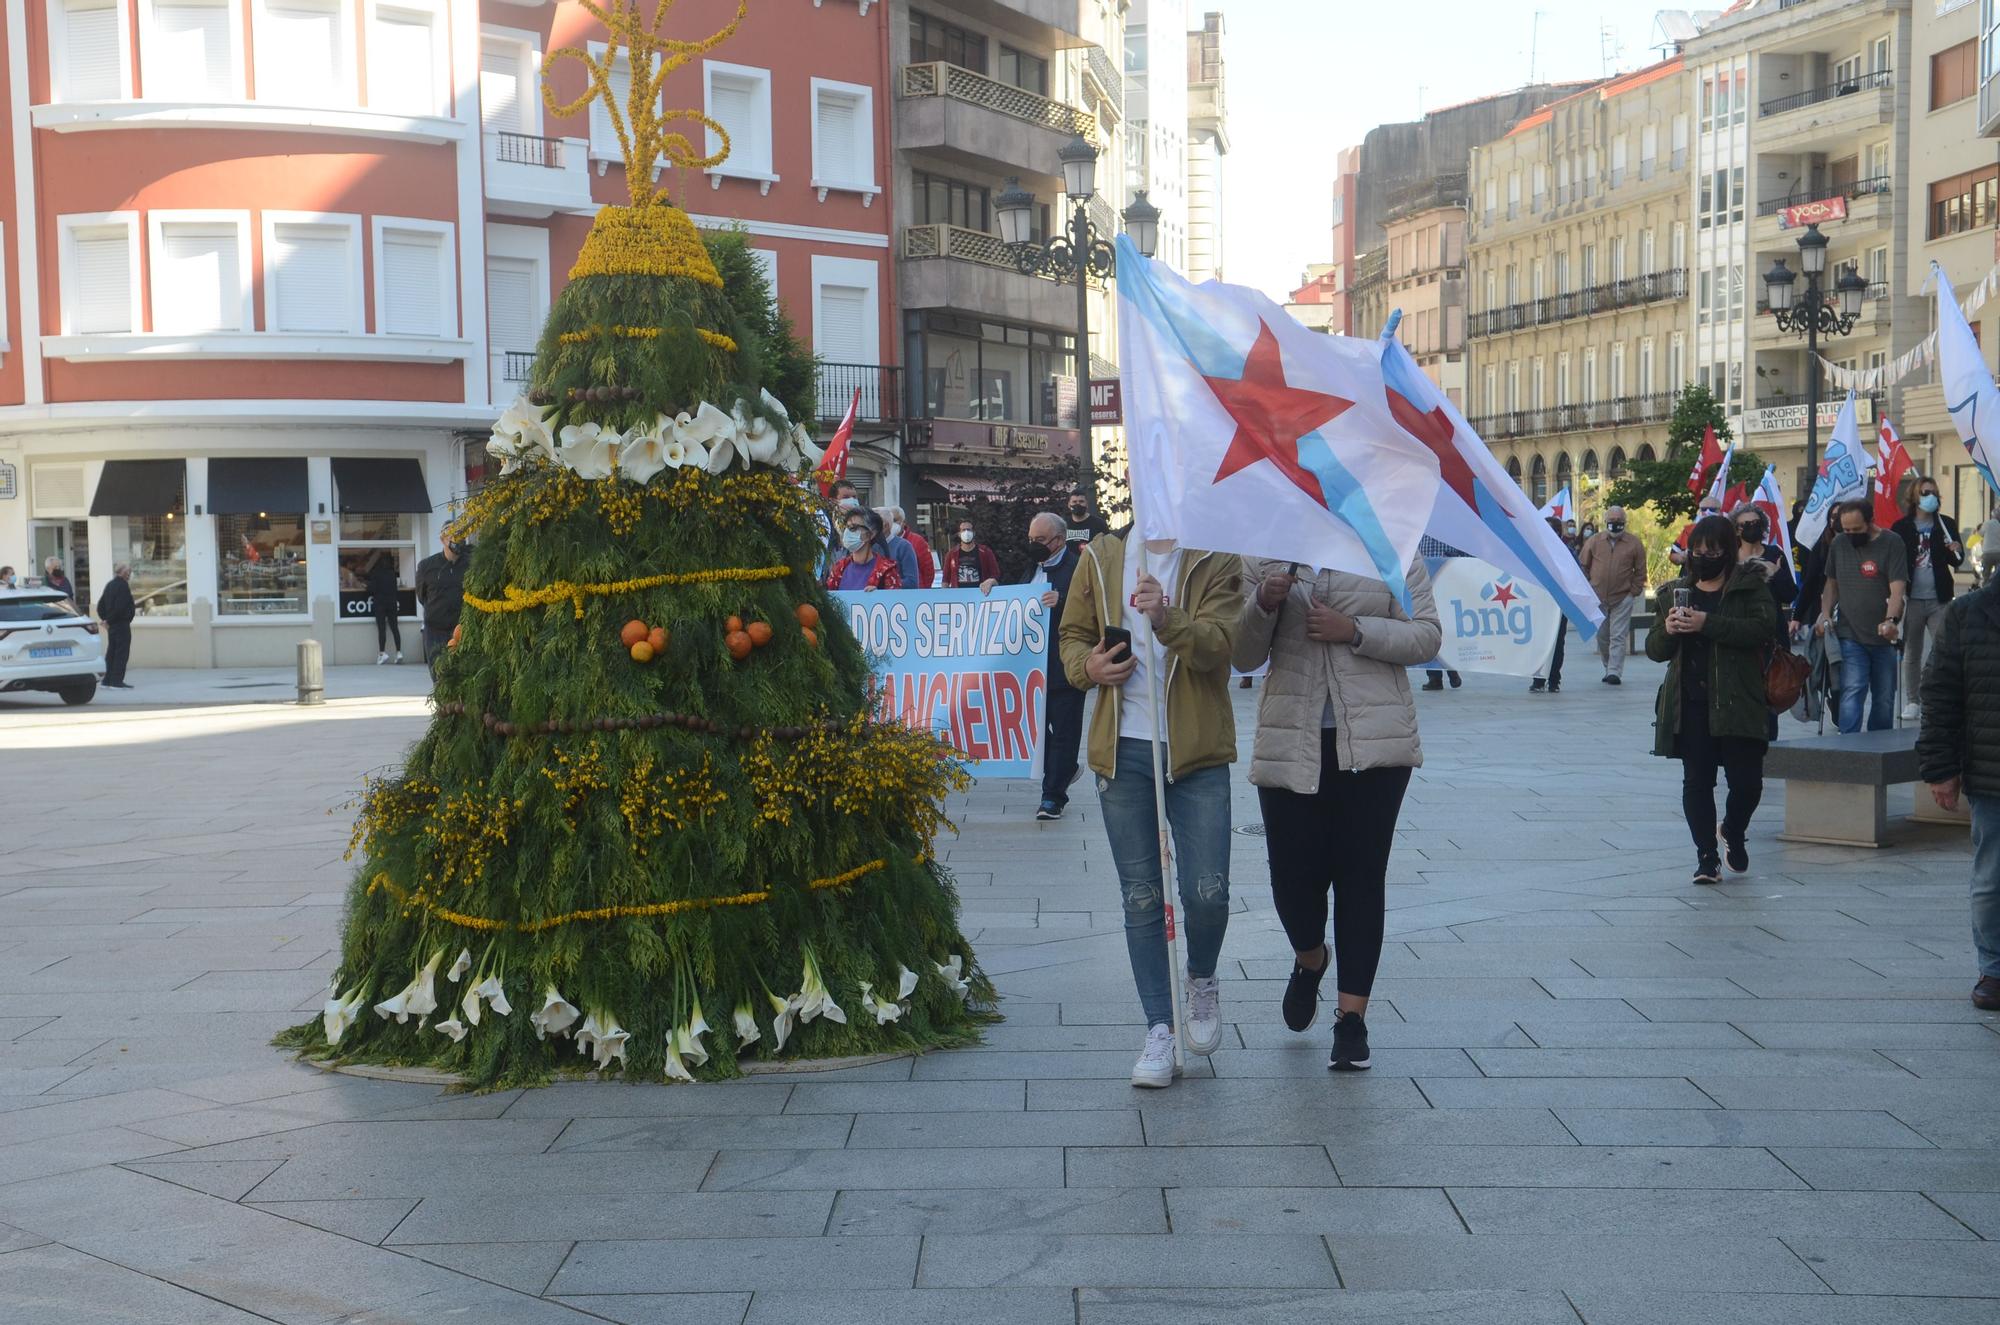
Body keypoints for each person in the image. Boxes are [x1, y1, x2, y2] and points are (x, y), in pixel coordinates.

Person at [1236, 556, 1441, 1071]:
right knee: (1291, 881)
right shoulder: (1265, 553)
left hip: (1375, 744)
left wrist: (1353, 629)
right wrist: (1263, 603)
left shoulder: (1388, 544)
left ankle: (1352, 1021)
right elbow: (1241, 654)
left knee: (1361, 880)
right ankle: (1310, 958)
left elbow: (1426, 635)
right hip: (1291, 740)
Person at [1059, 525, 1243, 1089]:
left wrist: (1167, 618)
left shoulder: (1215, 554)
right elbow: (1071, 636)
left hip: (1195, 751)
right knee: (1141, 894)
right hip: (1124, 750)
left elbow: (1219, 647)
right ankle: (1158, 1029)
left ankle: (1202, 978)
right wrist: (1086, 669)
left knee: (1206, 892)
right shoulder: (1101, 556)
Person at [1646, 514, 1778, 886]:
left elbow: (1762, 629)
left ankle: (1733, 830)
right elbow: (1654, 649)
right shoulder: (1675, 592)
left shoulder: (1750, 587)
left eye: (1713, 551)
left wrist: (1708, 624)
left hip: (1740, 701)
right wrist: (1670, 630)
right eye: (1698, 551)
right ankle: (1706, 856)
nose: (1704, 557)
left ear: (1728, 551)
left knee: (1747, 783)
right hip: (1690, 703)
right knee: (1697, 782)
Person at [1915, 573, 2000, 1011]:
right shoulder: (1968, 613)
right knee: (1992, 878)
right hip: (1992, 770)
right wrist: (1940, 767)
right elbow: (1940, 694)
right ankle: (1995, 970)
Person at [1815, 500, 1907, 734]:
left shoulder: (1892, 542)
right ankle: (1849, 745)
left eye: (1856, 529)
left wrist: (1891, 621)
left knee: (1884, 696)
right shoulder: (1839, 543)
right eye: (1846, 530)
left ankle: (1880, 745)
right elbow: (1831, 585)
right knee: (1853, 689)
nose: (1850, 535)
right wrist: (1825, 615)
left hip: (1883, 637)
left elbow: (1897, 589)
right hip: (1850, 633)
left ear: (1870, 520)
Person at [1021, 513, 1083, 820]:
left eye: (1040, 540)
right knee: (1034, 731)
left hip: (1063, 664)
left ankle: (1053, 796)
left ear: (1059, 540)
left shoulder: (1078, 568)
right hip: (1031, 667)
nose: (1033, 545)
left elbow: (1093, 608)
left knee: (1064, 733)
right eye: (1031, 539)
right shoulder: (1031, 566)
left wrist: (1064, 601)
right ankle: (1064, 768)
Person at [1891, 477, 1963, 720]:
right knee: (1912, 652)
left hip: (1939, 598)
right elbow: (1894, 562)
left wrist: (1955, 550)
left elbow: (1958, 561)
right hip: (1912, 599)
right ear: (1914, 496)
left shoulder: (1945, 524)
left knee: (1944, 649)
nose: (1930, 496)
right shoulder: (1901, 527)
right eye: (1925, 492)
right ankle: (1913, 700)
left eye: (1933, 492)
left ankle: (1942, 698)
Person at [1578, 505, 1646, 685]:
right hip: (1598, 597)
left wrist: (1633, 592)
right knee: (1602, 637)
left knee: (1618, 636)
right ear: (1605, 521)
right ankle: (1608, 666)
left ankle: (1614, 672)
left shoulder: (1634, 543)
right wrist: (1587, 590)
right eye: (1612, 521)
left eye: (1619, 521)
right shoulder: (1594, 541)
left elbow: (1640, 571)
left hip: (1622, 597)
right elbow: (1583, 566)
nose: (1615, 524)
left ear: (1624, 522)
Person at [415, 531, 470, 679]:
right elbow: (422, 596)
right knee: (439, 677)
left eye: (462, 536)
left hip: (462, 629)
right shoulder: (427, 566)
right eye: (454, 536)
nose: (459, 540)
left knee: (462, 676)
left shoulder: (470, 564)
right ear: (443, 539)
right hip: (435, 631)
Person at [1531, 516, 1574, 693]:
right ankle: (1538, 679)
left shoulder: (1567, 552)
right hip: (1538, 603)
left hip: (1559, 605)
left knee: (1557, 643)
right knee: (1539, 642)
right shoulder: (1533, 552)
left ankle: (1554, 679)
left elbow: (1575, 576)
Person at [824, 506, 900, 591]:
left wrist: (880, 596)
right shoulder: (839, 568)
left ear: (870, 534)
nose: (847, 532)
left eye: (854, 528)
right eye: (847, 527)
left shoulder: (887, 570)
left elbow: (894, 600)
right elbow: (829, 600)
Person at [95, 563, 135, 690]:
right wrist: (109, 620)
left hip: (112, 625)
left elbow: (100, 606)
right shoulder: (123, 586)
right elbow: (120, 607)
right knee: (121, 653)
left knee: (111, 652)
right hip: (121, 624)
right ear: (122, 572)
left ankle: (107, 680)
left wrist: (105, 620)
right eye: (128, 571)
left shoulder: (110, 585)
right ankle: (117, 681)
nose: (129, 574)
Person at [880, 505, 935, 590]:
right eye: (890, 520)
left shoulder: (917, 541)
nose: (892, 523)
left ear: (904, 522)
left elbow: (928, 570)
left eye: (895, 520)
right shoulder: (878, 544)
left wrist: (924, 589)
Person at [871, 505, 921, 591]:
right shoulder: (870, 547)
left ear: (885, 526)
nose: (869, 527)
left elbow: (912, 582)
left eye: (872, 523)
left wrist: (884, 584)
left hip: (897, 602)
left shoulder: (904, 547)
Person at [367, 552, 404, 665]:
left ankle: (382, 653)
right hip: (392, 603)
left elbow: (371, 589)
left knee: (382, 629)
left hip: (380, 604)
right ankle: (398, 652)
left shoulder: (376, 573)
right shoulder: (392, 574)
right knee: (395, 628)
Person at [942, 518, 999, 592]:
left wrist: (990, 581)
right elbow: (945, 580)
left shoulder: (985, 552)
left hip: (981, 595)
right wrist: (944, 596)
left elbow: (995, 575)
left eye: (969, 530)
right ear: (959, 534)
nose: (966, 532)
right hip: (958, 596)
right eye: (963, 530)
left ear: (974, 533)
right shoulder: (951, 554)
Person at [1669, 495, 1725, 566]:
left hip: (1716, 572)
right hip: (1689, 573)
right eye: (1704, 509)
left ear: (1720, 512)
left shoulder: (1726, 530)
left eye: (1712, 509)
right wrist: (1682, 557)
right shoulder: (1688, 530)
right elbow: (1673, 555)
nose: (1707, 511)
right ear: (1699, 511)